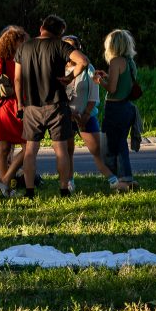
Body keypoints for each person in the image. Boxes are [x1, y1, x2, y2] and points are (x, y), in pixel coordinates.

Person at [14, 15, 88, 199]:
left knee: (30, 150)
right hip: (56, 104)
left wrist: (20, 102)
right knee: (61, 149)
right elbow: (83, 62)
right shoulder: (60, 45)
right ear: (59, 33)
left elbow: (17, 78)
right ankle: (64, 189)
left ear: (41, 27)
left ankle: (29, 191)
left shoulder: (23, 48)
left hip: (31, 105)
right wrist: (70, 78)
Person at [62, 35, 131, 193]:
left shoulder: (88, 68)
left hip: (86, 116)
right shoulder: (58, 69)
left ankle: (113, 180)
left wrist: (85, 116)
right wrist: (70, 113)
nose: (70, 51)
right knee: (67, 150)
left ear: (79, 49)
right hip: (66, 115)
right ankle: (69, 180)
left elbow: (94, 95)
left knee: (97, 149)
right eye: (67, 48)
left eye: (74, 47)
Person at [94, 29, 140, 190]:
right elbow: (122, 83)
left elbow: (112, 89)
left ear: (112, 45)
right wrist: (107, 76)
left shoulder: (115, 61)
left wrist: (100, 81)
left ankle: (122, 178)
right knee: (120, 143)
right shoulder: (130, 62)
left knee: (112, 145)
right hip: (127, 107)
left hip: (115, 107)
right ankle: (123, 177)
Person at [0, 26, 28, 196]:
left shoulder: (25, 59)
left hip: (21, 106)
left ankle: (6, 179)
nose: (24, 44)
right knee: (4, 149)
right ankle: (7, 189)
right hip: (6, 108)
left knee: (29, 147)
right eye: (21, 41)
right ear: (12, 43)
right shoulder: (1, 62)